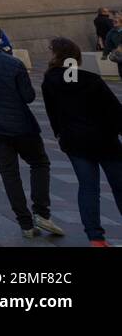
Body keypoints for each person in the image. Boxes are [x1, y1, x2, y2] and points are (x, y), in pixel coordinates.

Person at [0, 19, 64, 240]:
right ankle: (42, 213)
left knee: (9, 173)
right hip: (21, 125)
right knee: (39, 162)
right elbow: (28, 96)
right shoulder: (13, 63)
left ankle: (25, 224)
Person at [42, 37, 122, 246]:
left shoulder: (50, 81)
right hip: (105, 140)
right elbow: (115, 111)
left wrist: (60, 134)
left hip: (75, 143)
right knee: (119, 185)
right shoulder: (91, 79)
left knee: (88, 188)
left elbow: (53, 114)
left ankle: (96, 238)